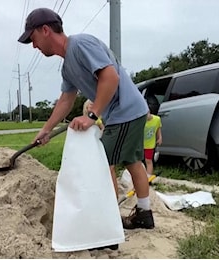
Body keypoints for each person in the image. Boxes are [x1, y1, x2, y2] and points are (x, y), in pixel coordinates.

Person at [18, 8, 154, 238]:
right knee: (132, 161)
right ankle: (144, 213)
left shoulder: (81, 45)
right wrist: (46, 130)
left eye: (33, 39)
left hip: (125, 112)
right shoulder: (67, 67)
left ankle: (107, 225)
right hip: (127, 112)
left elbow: (110, 77)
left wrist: (92, 116)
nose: (34, 46)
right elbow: (65, 100)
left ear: (45, 30)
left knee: (102, 163)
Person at [143, 110, 162, 177]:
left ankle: (149, 177)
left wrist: (159, 137)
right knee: (138, 162)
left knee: (148, 161)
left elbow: (158, 129)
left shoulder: (157, 119)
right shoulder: (141, 121)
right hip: (140, 145)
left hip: (150, 145)